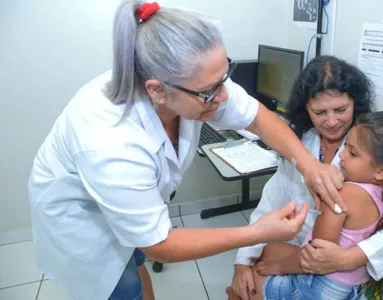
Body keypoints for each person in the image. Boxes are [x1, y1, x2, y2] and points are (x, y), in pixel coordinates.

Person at [27, 2, 345, 300]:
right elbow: (159, 245)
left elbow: (258, 117)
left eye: (225, 77)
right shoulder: (109, 143)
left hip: (129, 200)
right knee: (124, 287)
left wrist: (308, 165)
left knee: (137, 264)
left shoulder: (196, 80)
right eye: (209, 92)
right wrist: (256, 233)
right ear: (157, 91)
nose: (223, 97)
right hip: (82, 221)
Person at [230, 56, 383, 300]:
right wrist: (243, 261)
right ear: (305, 109)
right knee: (243, 285)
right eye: (319, 112)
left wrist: (349, 258)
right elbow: (270, 204)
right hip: (306, 256)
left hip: (352, 275)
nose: (331, 121)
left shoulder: (378, 151)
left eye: (341, 109)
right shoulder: (301, 147)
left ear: (355, 104)